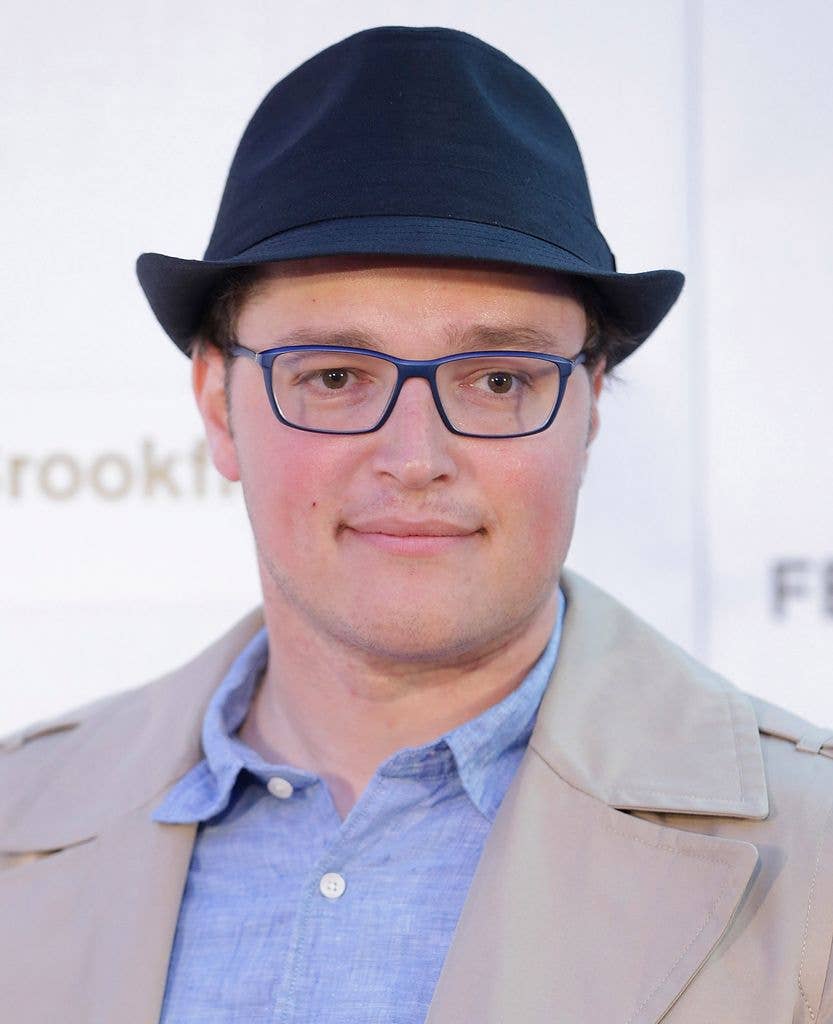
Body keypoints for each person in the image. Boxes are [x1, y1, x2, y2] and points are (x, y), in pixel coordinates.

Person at [2, 24, 833, 1024]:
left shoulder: (815, 855)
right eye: (336, 375)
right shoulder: (17, 822)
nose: (412, 456)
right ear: (220, 406)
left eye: (494, 379)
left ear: (590, 407)